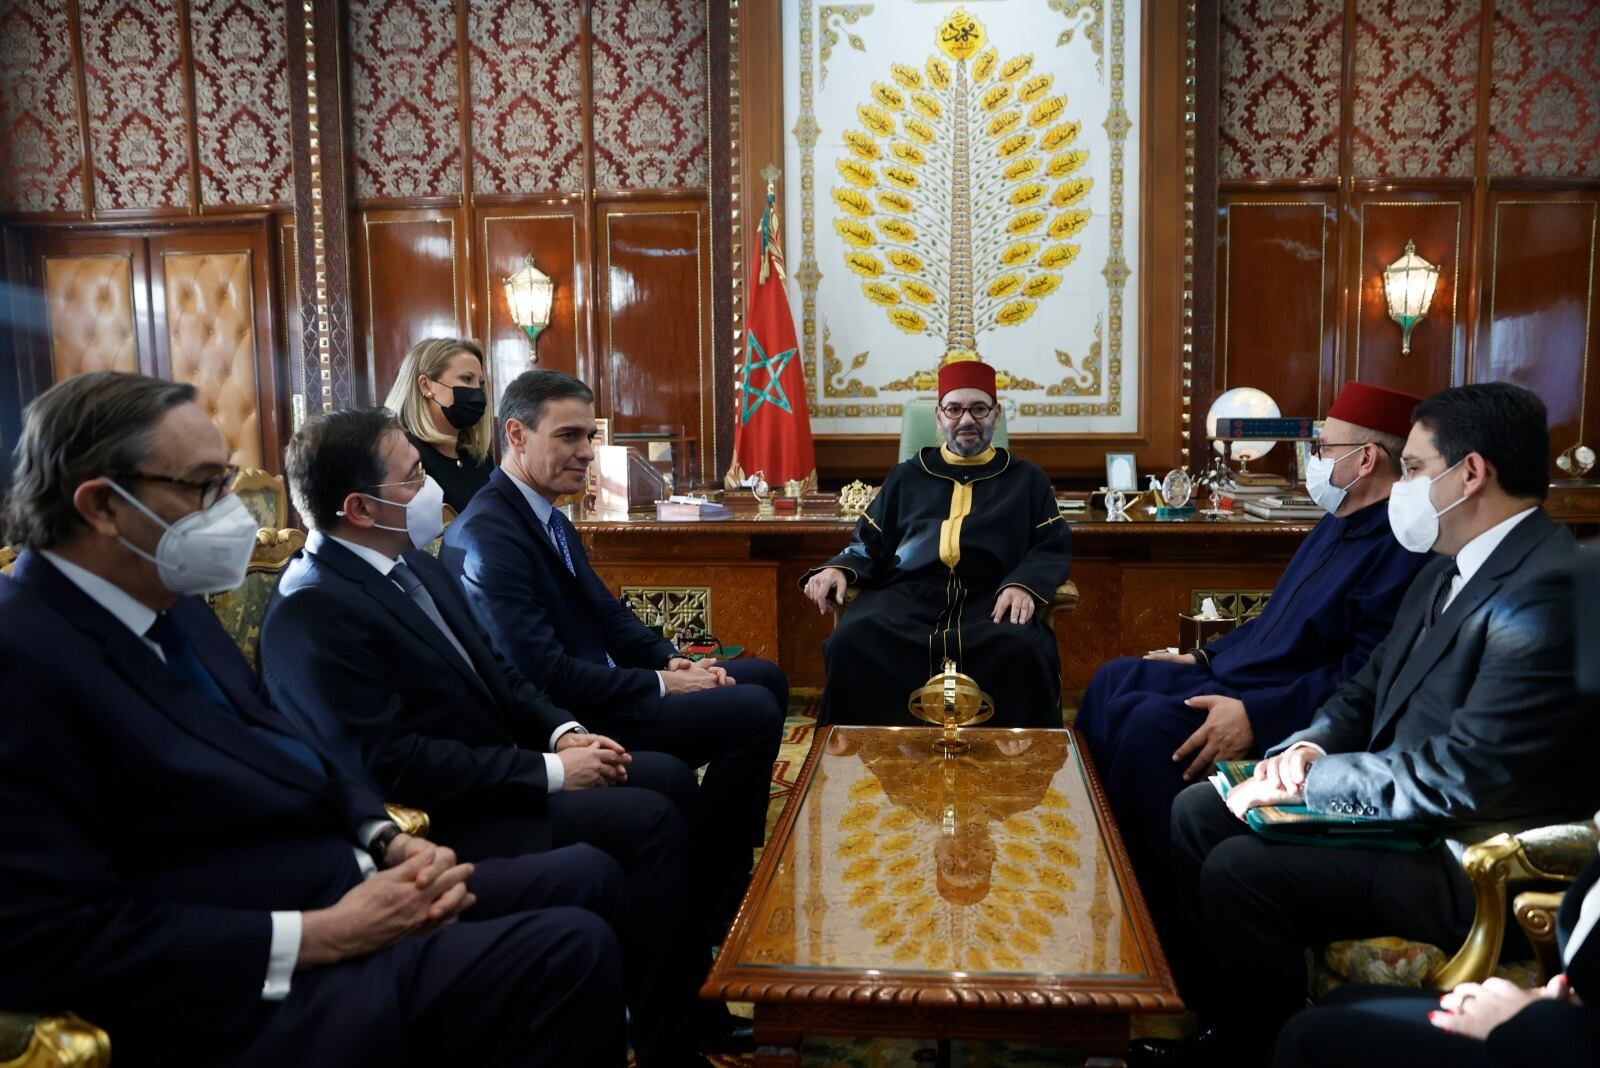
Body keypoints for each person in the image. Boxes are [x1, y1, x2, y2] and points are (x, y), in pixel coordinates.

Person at [0, 372, 627, 1068]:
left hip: (345, 882)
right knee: (570, 951)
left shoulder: (169, 601)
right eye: (205, 487)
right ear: (101, 506)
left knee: (587, 881)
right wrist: (324, 933)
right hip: (246, 989)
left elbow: (285, 744)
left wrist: (384, 838)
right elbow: (49, 938)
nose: (230, 510)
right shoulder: (22, 655)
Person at [261, 407, 739, 1064]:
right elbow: (393, 765)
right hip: (445, 815)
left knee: (664, 776)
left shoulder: (416, 566)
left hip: (500, 767)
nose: (433, 488)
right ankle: (668, 1040)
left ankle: (685, 997)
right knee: (646, 822)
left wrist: (565, 733)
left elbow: (503, 676)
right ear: (359, 508)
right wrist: (549, 772)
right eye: (413, 476)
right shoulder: (313, 609)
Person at [1154, 383, 1600, 1066]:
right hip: (1401, 815)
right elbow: (1365, 689)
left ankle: (1261, 1051)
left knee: (1240, 871)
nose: (1405, 487)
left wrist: (1316, 780)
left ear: (1471, 473)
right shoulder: (1446, 565)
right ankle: (1219, 1020)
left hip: (1459, 855)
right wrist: (1308, 744)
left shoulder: (1547, 592)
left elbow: (1464, 773)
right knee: (1197, 812)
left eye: (1416, 469)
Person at [1075, 381, 1428, 940]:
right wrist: (1200, 653)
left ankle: (1150, 932)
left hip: (1273, 706)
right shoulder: (1334, 523)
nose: (1314, 462)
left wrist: (1256, 716)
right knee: (1116, 678)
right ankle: (1093, 865)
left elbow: (1359, 676)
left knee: (1146, 727)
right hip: (1234, 674)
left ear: (1365, 459)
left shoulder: (1400, 547)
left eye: (1324, 449)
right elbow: (1272, 622)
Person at [439, 369, 786, 914]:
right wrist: (662, 685)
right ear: (517, 435)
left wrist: (672, 660)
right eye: (569, 437)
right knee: (753, 708)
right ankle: (717, 887)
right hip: (575, 716)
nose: (586, 452)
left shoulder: (547, 516)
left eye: (590, 437)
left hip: (604, 684)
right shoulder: (490, 535)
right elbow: (544, 674)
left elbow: (607, 614)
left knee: (763, 675)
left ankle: (721, 866)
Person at [801, 358, 1072, 728]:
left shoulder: (1027, 480)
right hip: (907, 595)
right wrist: (839, 567)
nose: (966, 420)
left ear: (996, 414)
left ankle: (1017, 768)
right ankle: (861, 765)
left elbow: (1051, 545)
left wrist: (1024, 584)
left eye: (978, 409)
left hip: (990, 598)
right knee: (852, 639)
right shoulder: (907, 475)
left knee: (1023, 649)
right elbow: (870, 541)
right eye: (955, 409)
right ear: (939, 415)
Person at [383, 336, 494, 513]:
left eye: (480, 383)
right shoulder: (404, 456)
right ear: (426, 386)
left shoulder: (478, 456)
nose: (477, 391)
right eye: (466, 379)